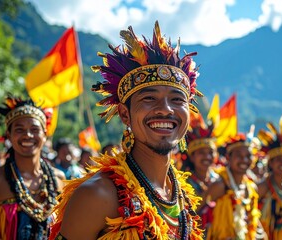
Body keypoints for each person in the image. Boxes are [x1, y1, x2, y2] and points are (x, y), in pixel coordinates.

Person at [49, 21, 203, 239]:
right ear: (124, 114)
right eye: (149, 98)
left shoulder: (182, 193)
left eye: (177, 100)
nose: (165, 110)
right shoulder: (97, 195)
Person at [0, 96, 66, 240]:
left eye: (34, 129)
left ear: (44, 135)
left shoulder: (58, 179)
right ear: (9, 136)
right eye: (19, 129)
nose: (28, 135)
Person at [205, 133, 263, 240]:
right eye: (239, 155)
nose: (244, 160)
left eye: (248, 155)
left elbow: (253, 219)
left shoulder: (251, 188)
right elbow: (196, 215)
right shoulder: (219, 186)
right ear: (228, 157)